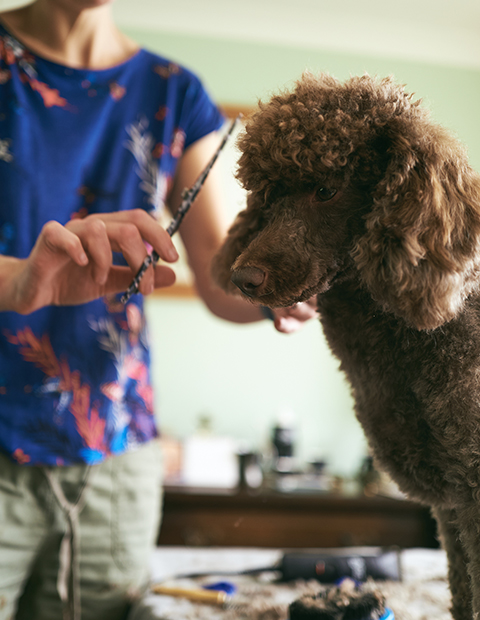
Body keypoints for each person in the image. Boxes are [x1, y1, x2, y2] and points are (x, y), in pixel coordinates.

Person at [0, 2, 318, 619]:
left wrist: (276, 291)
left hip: (114, 454)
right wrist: (19, 281)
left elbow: (217, 282)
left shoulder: (176, 93)